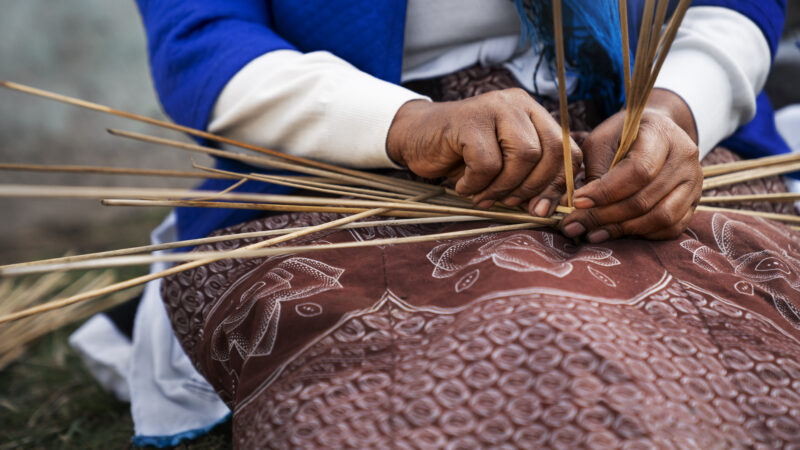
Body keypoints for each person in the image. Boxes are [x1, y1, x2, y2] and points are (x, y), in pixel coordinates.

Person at [70, 0, 800, 447]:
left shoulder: (669, 114)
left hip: (629, 108)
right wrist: (406, 125)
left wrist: (678, 110)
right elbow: (202, 37)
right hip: (351, 154)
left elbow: (735, 0)